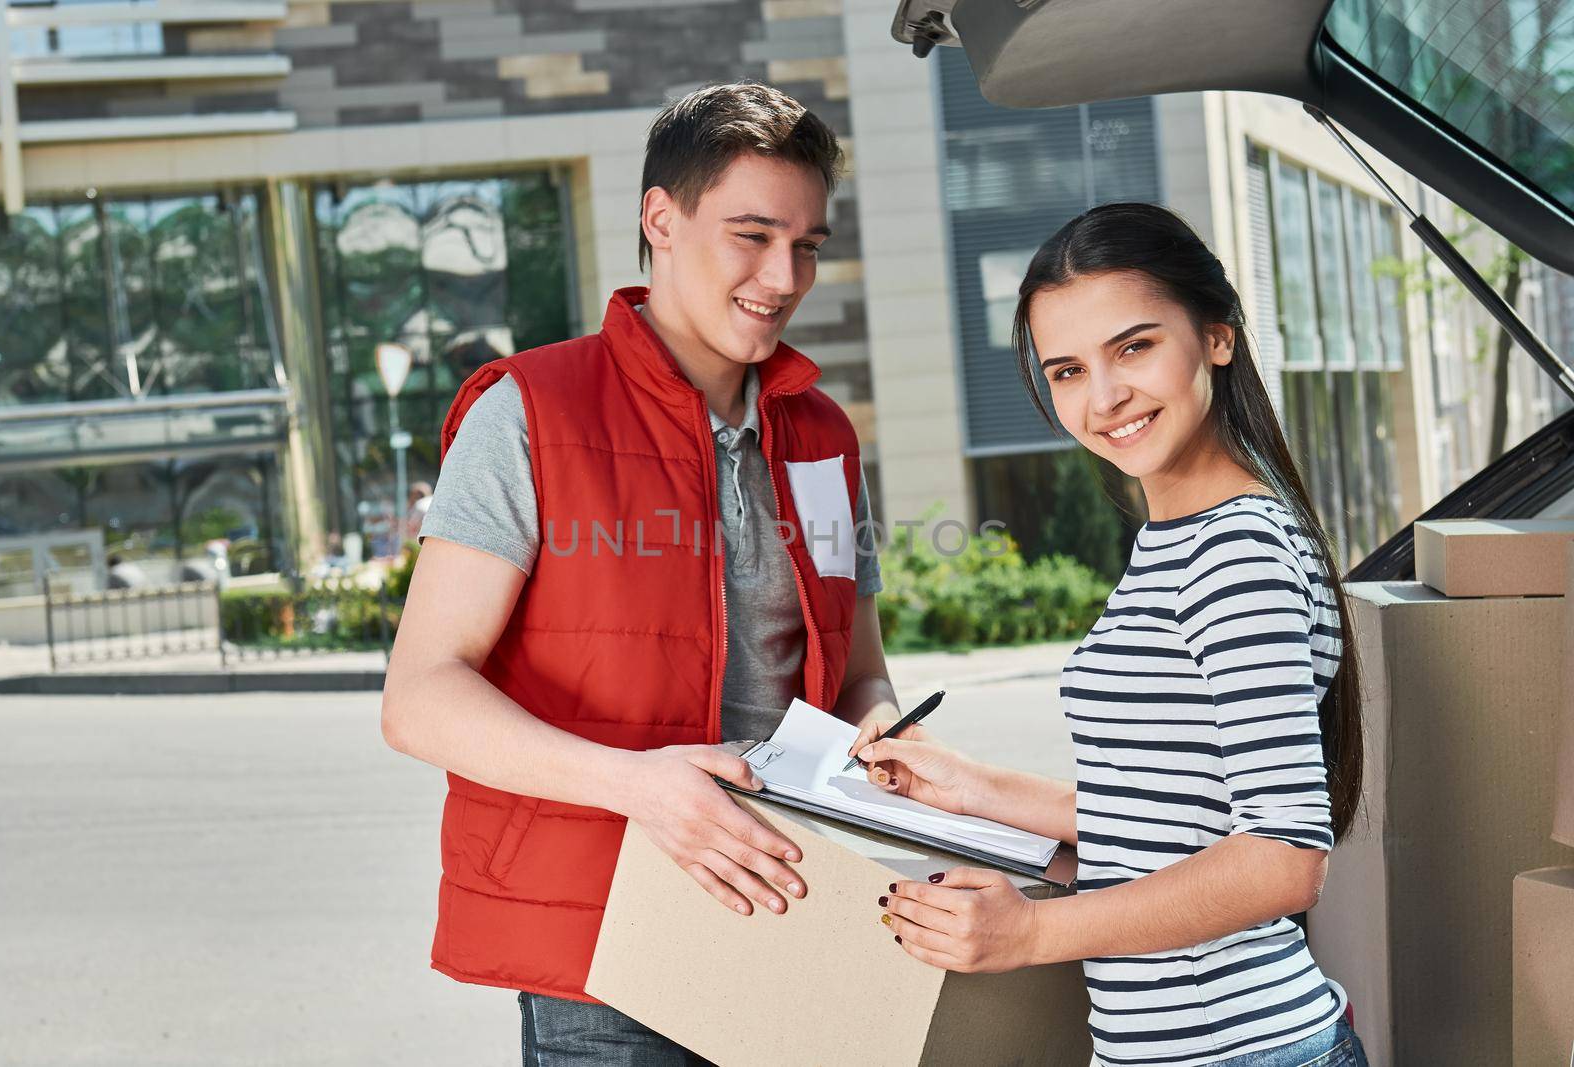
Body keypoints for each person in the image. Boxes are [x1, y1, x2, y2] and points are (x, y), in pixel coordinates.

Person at [381, 82, 898, 1065]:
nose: (783, 276)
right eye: (751, 235)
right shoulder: (531, 410)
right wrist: (638, 785)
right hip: (605, 946)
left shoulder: (823, 436)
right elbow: (419, 696)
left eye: (807, 244)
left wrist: (878, 731)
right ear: (660, 219)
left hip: (790, 906)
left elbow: (856, 670)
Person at [850, 203, 1369, 1067]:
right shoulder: (1174, 537)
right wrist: (968, 785)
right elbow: (1169, 818)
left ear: (1217, 337)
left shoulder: (1235, 548)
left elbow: (1283, 857)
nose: (1104, 397)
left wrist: (1028, 933)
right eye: (1066, 370)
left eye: (1134, 347)